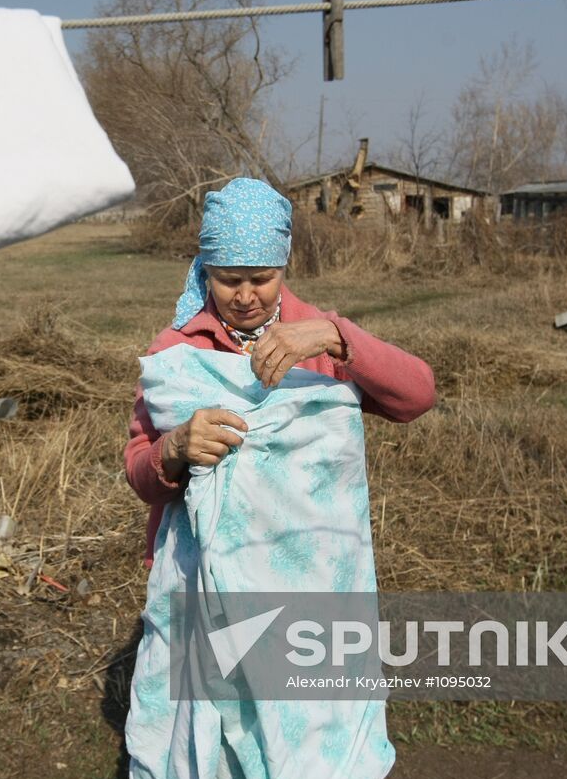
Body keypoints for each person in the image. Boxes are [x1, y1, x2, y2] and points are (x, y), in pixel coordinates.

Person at [123, 177, 436, 571]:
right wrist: (172, 449)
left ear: (283, 266)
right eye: (229, 279)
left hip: (305, 567)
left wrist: (335, 338)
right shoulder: (177, 352)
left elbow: (418, 397)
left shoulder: (318, 340)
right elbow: (140, 477)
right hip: (200, 573)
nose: (245, 296)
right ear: (206, 268)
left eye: (262, 278)